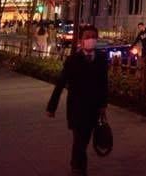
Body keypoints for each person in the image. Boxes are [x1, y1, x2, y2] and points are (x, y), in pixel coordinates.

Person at [46, 25, 109, 175]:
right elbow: (61, 83)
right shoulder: (73, 60)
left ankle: (76, 163)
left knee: (85, 139)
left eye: (93, 37)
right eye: (87, 37)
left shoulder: (101, 58)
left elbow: (104, 83)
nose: (91, 40)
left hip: (94, 108)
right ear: (81, 40)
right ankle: (78, 168)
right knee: (80, 139)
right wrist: (52, 107)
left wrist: (103, 104)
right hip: (77, 108)